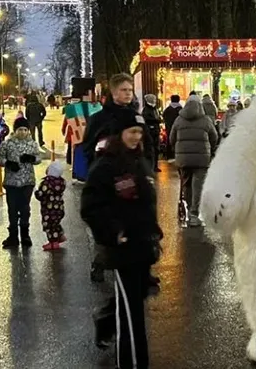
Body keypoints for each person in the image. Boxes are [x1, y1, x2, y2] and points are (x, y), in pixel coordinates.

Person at [80, 109, 162, 369]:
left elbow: (145, 204)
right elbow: (91, 207)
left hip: (144, 247)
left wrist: (154, 232)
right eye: (132, 132)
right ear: (120, 134)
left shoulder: (140, 162)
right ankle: (133, 363)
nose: (137, 137)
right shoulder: (106, 165)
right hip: (123, 250)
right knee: (131, 316)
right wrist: (114, 232)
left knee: (133, 309)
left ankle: (107, 327)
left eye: (140, 132)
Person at [170, 95, 218, 227]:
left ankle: (188, 205)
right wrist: (210, 149)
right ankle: (194, 214)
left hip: (183, 159)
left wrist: (178, 150)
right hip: (202, 159)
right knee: (198, 185)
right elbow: (214, 136)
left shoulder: (179, 120)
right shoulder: (206, 120)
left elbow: (171, 138)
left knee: (186, 184)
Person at [0, 117, 43, 248]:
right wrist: (8, 163)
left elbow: (38, 158)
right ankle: (13, 236)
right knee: (12, 209)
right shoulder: (7, 143)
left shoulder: (32, 143)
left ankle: (25, 234)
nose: (22, 132)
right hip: (11, 182)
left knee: (25, 209)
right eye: (20, 130)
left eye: (25, 130)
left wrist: (32, 158)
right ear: (15, 130)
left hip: (27, 181)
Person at [35, 161, 68, 250]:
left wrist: (36, 193)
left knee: (49, 226)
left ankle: (53, 242)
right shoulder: (62, 182)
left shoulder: (46, 183)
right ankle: (60, 236)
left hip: (49, 210)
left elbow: (41, 195)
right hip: (59, 209)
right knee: (56, 223)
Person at [141, 94, 162, 172]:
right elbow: (146, 119)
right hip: (150, 131)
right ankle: (150, 166)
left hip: (156, 131)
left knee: (156, 149)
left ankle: (155, 166)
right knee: (149, 149)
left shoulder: (155, 109)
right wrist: (156, 120)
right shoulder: (146, 110)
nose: (155, 101)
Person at [161, 95, 182, 161]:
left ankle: (169, 155)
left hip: (169, 128)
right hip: (179, 129)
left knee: (169, 140)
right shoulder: (181, 109)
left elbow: (163, 116)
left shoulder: (167, 109)